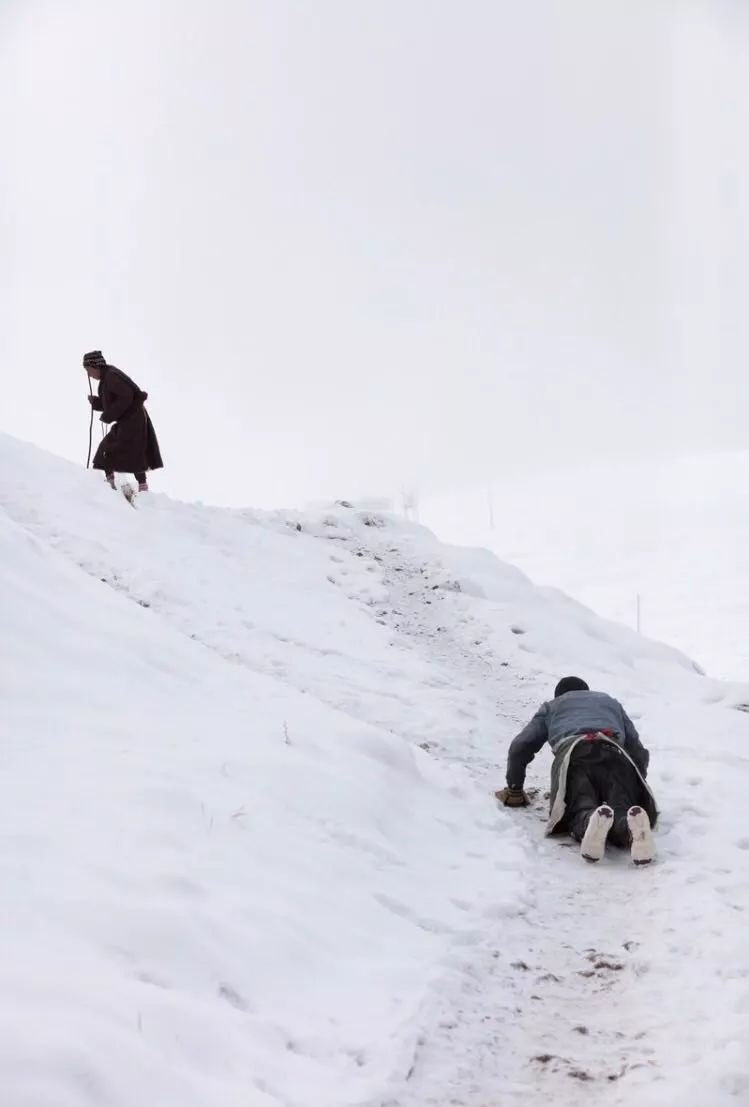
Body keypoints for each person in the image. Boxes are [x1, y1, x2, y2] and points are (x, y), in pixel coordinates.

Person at [496, 677, 658, 865]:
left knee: (579, 806)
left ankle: (590, 820)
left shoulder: (552, 706)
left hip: (576, 755)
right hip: (615, 753)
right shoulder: (610, 703)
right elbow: (637, 749)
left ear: (559, 695)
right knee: (620, 806)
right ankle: (630, 829)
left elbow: (521, 745)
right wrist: (636, 784)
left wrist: (515, 788)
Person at [84, 350, 163, 492]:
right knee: (130, 451)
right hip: (131, 420)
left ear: (96, 366)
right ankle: (139, 486)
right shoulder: (107, 378)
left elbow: (126, 397)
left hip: (133, 420)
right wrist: (96, 403)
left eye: (89, 370)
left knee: (109, 449)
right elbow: (112, 402)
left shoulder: (111, 377)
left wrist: (108, 416)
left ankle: (112, 485)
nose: (89, 374)